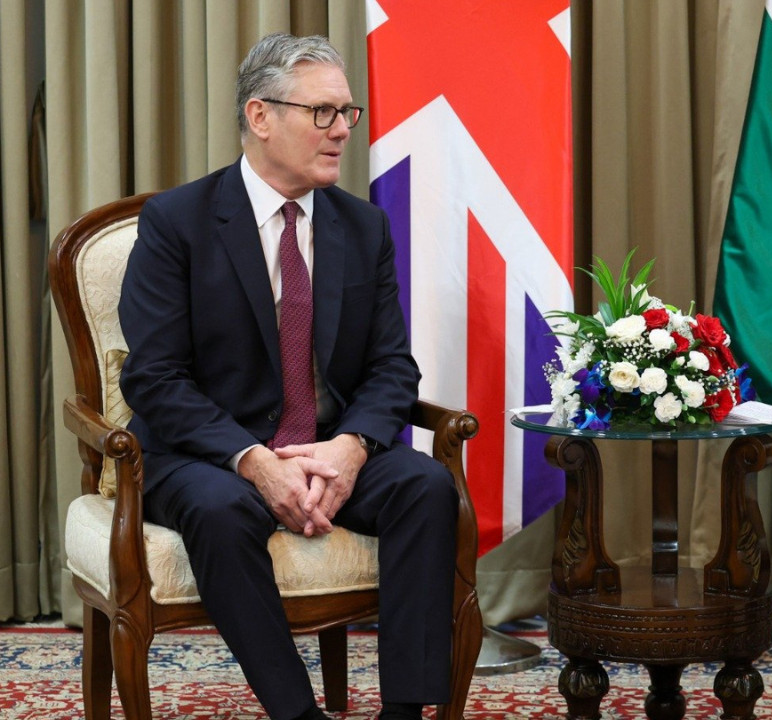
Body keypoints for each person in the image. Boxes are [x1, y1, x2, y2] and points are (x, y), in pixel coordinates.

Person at [118, 33, 457, 720]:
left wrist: (351, 448)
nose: (341, 132)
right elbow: (153, 377)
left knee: (426, 485)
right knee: (220, 511)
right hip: (208, 453)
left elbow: (393, 365)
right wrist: (252, 461)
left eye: (347, 114)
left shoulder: (362, 227)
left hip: (325, 446)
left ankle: (406, 712)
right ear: (260, 115)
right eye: (322, 113)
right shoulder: (177, 222)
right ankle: (296, 714)